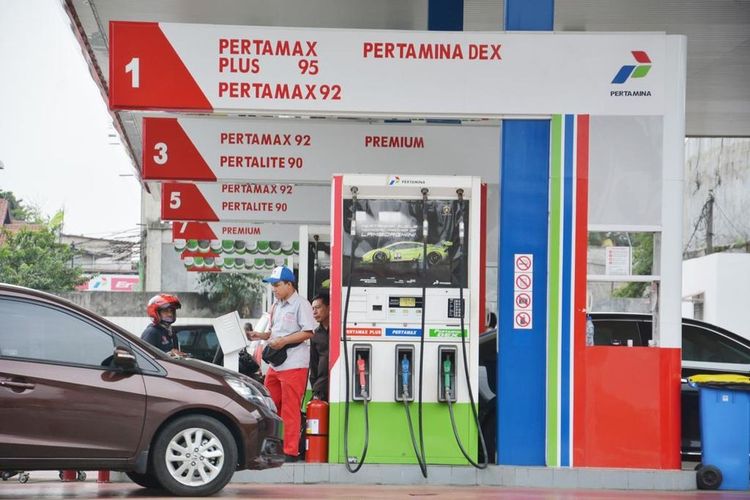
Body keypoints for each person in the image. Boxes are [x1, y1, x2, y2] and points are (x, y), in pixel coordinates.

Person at [246, 266, 315, 462]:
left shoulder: (301, 304)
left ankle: (290, 451)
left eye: (277, 285)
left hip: (294, 364)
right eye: (272, 285)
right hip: (276, 365)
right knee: (269, 405)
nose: (274, 289)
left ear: (289, 284)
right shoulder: (276, 305)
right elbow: (275, 332)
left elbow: (308, 332)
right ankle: (271, 446)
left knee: (290, 409)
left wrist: (284, 341)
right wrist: (260, 335)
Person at [309, 292, 330, 401]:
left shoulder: (341, 332)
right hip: (321, 387)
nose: (314, 312)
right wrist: (315, 387)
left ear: (329, 307)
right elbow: (314, 364)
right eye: (313, 309)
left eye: (317, 307)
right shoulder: (315, 335)